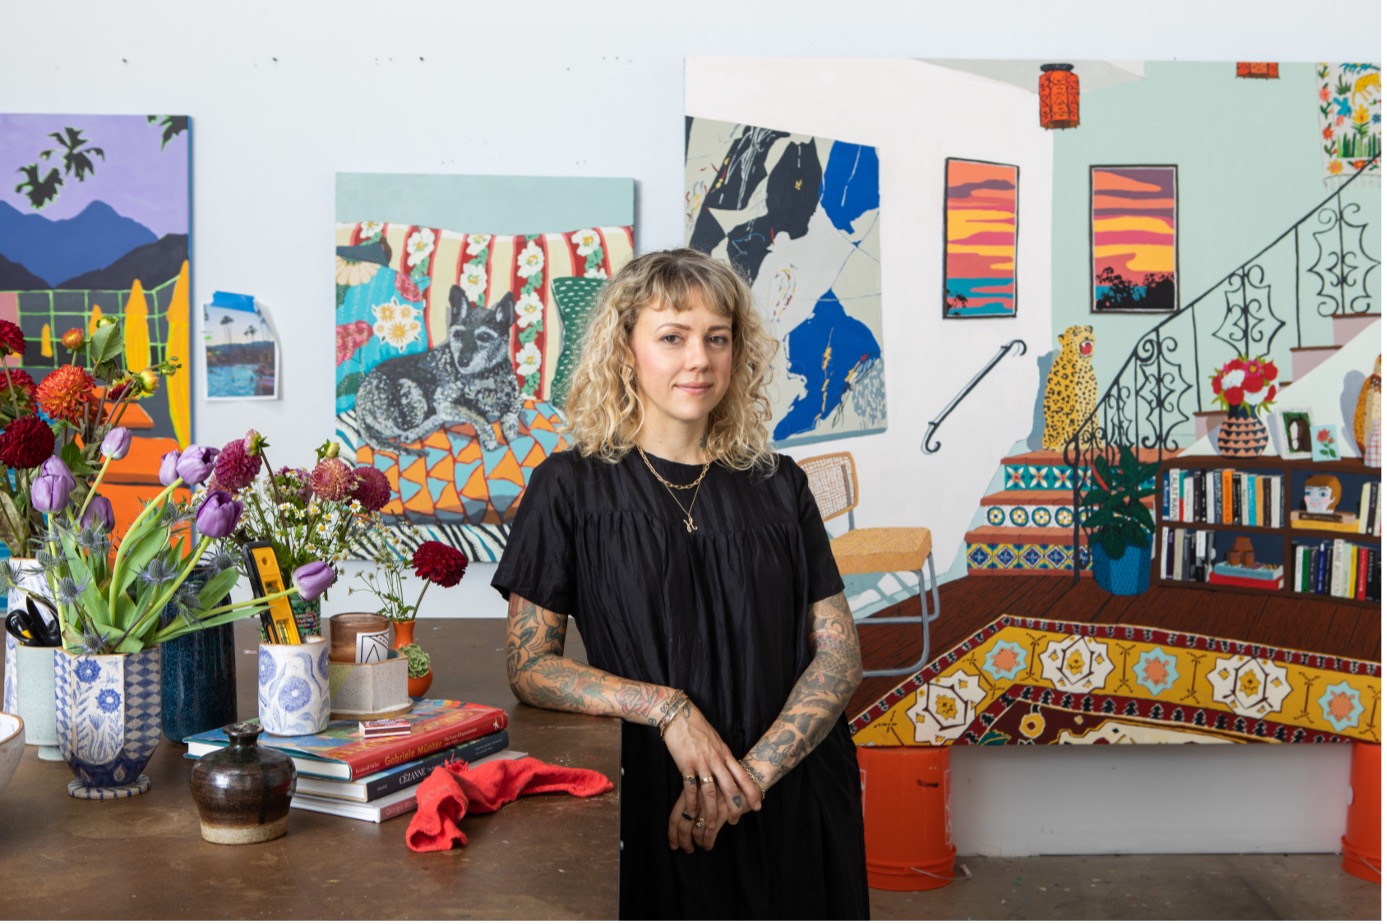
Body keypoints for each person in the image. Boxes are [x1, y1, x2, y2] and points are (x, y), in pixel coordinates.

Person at [492, 248, 870, 919]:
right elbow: (531, 667)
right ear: (624, 349)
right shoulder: (568, 488)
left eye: (716, 338)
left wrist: (746, 780)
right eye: (672, 337)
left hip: (793, 792)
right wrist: (668, 708)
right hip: (654, 797)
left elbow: (838, 653)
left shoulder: (780, 484)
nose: (698, 359)